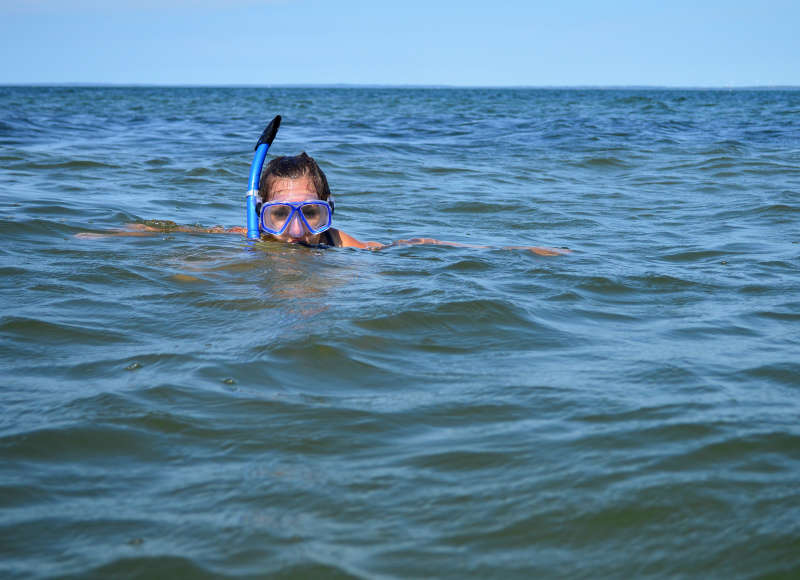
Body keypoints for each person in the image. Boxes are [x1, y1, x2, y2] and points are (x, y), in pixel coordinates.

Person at [79, 152, 567, 255]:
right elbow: (172, 231)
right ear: (258, 217)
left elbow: (409, 243)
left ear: (329, 210)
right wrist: (116, 233)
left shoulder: (338, 243)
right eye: (278, 216)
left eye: (310, 213)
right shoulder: (246, 240)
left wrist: (515, 252)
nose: (295, 231)